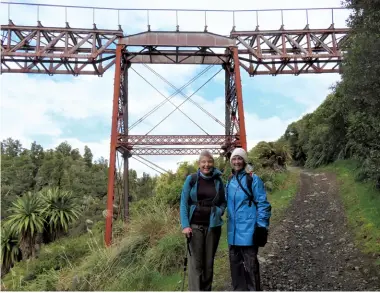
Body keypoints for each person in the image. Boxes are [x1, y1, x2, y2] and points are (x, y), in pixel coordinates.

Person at [180, 150, 226, 291]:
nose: (206, 165)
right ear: (199, 164)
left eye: (209, 162)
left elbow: (223, 202)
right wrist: (185, 225)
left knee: (208, 263)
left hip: (213, 227)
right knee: (195, 264)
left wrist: (219, 211)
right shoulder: (192, 179)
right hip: (194, 226)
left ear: (213, 163)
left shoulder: (218, 180)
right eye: (203, 162)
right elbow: (183, 203)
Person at [226, 148, 272, 291]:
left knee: (251, 268)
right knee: (236, 270)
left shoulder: (253, 179)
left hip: (248, 232)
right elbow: (226, 203)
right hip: (233, 233)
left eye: (240, 158)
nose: (237, 161)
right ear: (231, 161)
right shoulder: (230, 180)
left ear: (244, 160)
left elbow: (263, 204)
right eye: (234, 159)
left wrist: (261, 226)